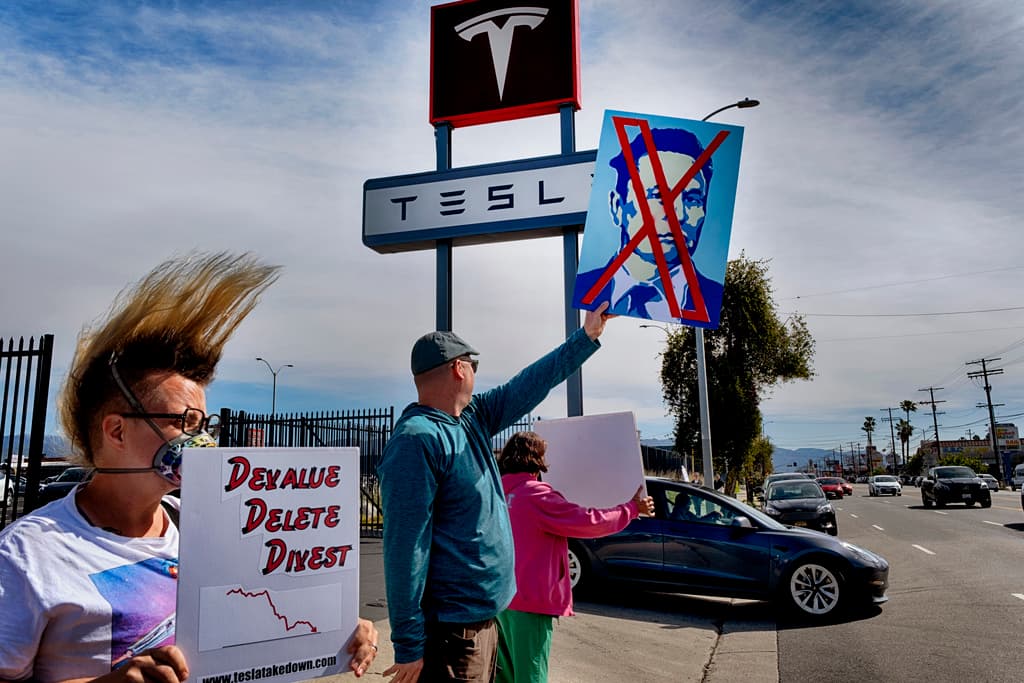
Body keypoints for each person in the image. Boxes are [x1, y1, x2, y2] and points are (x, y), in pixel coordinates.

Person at [0, 252, 379, 683]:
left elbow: (270, 625)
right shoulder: (26, 558)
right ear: (116, 432)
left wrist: (338, 633)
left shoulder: (217, 531)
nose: (201, 441)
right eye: (184, 423)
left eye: (203, 424)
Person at [378, 302, 613, 683]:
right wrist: (407, 643)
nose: (476, 374)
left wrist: (586, 337)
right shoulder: (416, 441)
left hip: (486, 621)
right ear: (459, 368)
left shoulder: (471, 419)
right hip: (454, 634)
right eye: (473, 365)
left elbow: (531, 382)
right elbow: (405, 548)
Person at [494, 431, 654, 683]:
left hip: (499, 600)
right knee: (530, 676)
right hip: (531, 601)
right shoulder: (537, 496)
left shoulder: (496, 494)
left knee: (506, 675)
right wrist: (632, 509)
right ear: (537, 461)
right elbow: (589, 522)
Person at [574, 127, 724, 324]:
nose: (678, 214)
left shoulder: (717, 302)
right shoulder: (585, 288)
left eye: (692, 199)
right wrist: (587, 335)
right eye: (659, 196)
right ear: (618, 207)